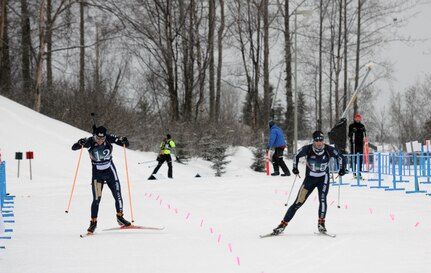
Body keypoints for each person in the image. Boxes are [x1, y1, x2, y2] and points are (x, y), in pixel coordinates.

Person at [272, 131, 346, 235]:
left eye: (321, 140)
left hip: (323, 179)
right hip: (309, 180)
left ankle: (321, 224)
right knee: (298, 203)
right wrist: (295, 168)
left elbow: (341, 157)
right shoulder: (308, 149)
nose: (319, 143)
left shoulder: (329, 149)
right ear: (313, 141)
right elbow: (296, 155)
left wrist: (342, 169)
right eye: (316, 140)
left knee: (323, 200)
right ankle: (282, 225)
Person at [72, 126, 131, 234]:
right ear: (94, 136)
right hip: (97, 175)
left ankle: (120, 217)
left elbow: (126, 144)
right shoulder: (89, 141)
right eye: (98, 139)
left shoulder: (109, 138)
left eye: (102, 139)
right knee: (96, 199)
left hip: (110, 172)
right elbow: (74, 148)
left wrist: (124, 140)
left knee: (117, 195)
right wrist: (80, 142)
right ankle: (93, 223)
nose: (100, 141)